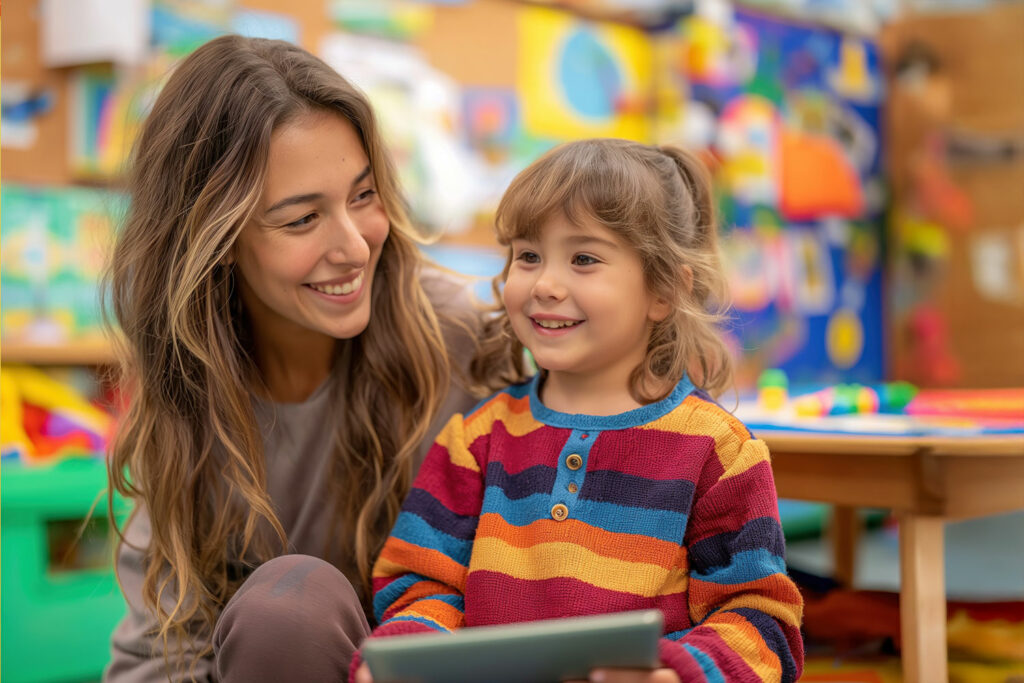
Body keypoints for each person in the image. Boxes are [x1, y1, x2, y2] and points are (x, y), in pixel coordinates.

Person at [103, 35, 514, 682]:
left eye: (363, 195)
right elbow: (156, 656)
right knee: (288, 607)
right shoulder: (191, 400)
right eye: (301, 219)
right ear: (217, 241)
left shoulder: (466, 341)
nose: (353, 246)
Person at [355, 139, 805, 682]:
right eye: (528, 256)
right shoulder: (476, 439)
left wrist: (677, 674)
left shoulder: (718, 450)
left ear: (662, 291)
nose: (544, 284)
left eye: (584, 259)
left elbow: (762, 620)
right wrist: (412, 654)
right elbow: (416, 583)